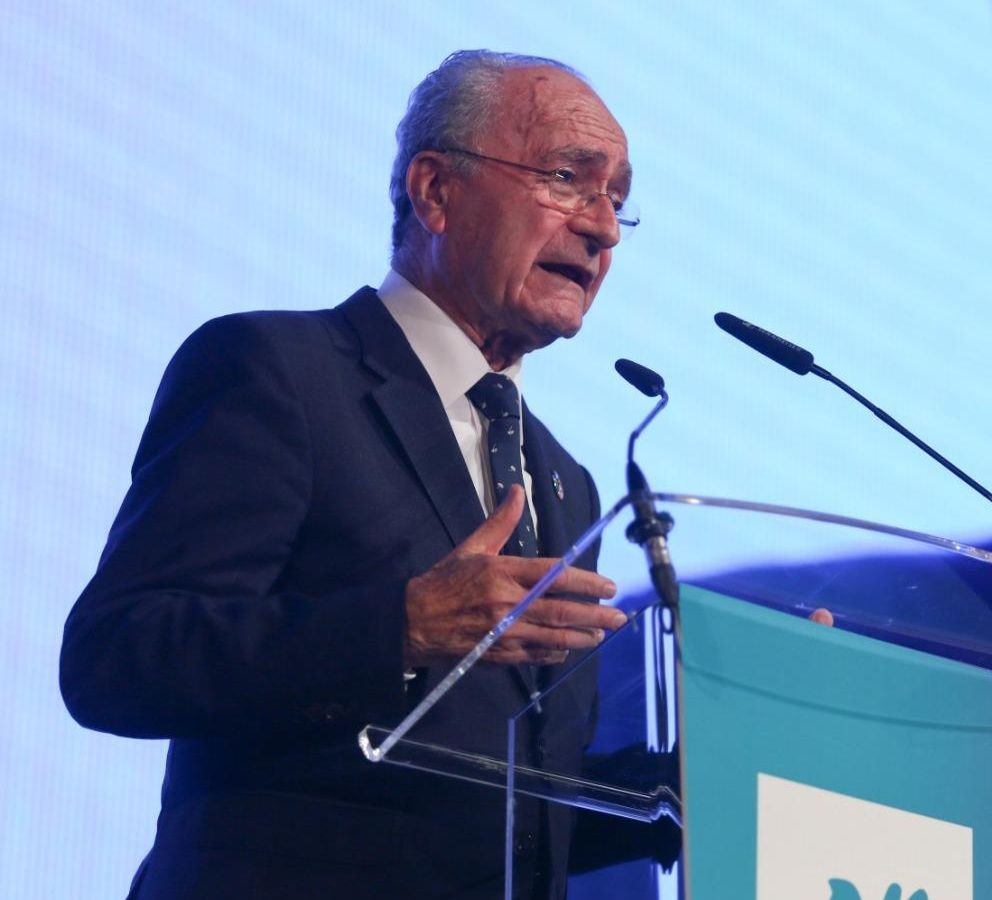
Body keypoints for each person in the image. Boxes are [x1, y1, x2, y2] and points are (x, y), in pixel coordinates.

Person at [59, 50, 636, 899]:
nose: (604, 228)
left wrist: (718, 760)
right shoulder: (278, 371)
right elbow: (116, 658)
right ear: (434, 191)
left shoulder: (566, 482)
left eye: (618, 198)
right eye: (566, 179)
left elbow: (518, 803)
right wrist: (399, 627)